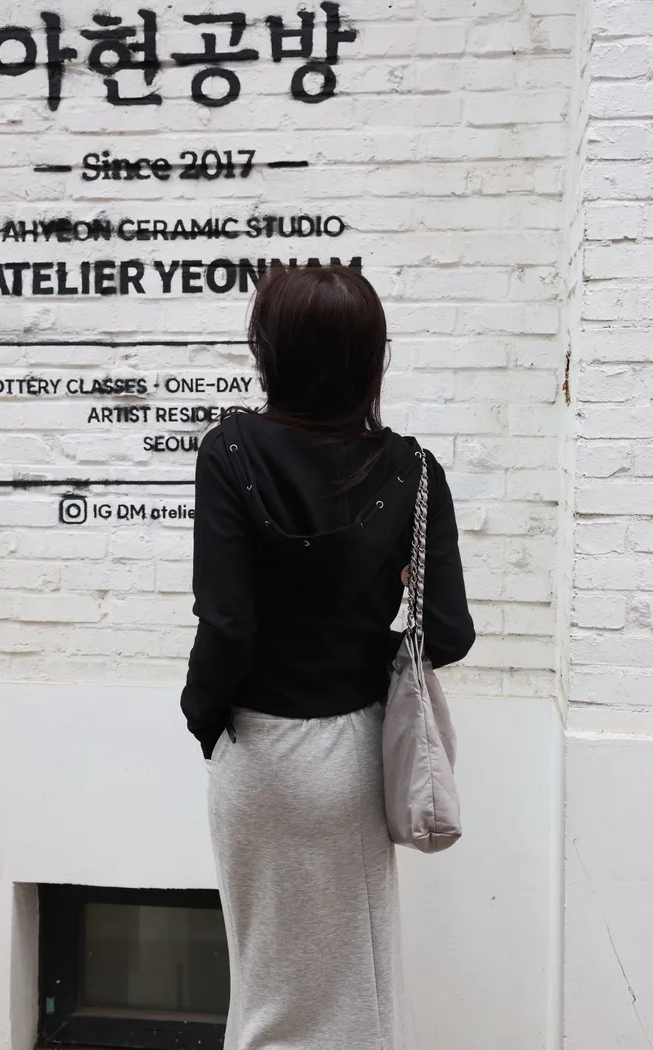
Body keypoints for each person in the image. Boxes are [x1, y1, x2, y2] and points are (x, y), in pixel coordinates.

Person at [181, 263, 475, 1050]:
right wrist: (361, 641)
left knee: (266, 985)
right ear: (371, 358)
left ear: (271, 352)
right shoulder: (412, 470)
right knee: (356, 995)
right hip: (353, 755)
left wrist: (203, 717)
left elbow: (228, 625)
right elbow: (448, 633)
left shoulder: (229, 452)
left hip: (257, 754)